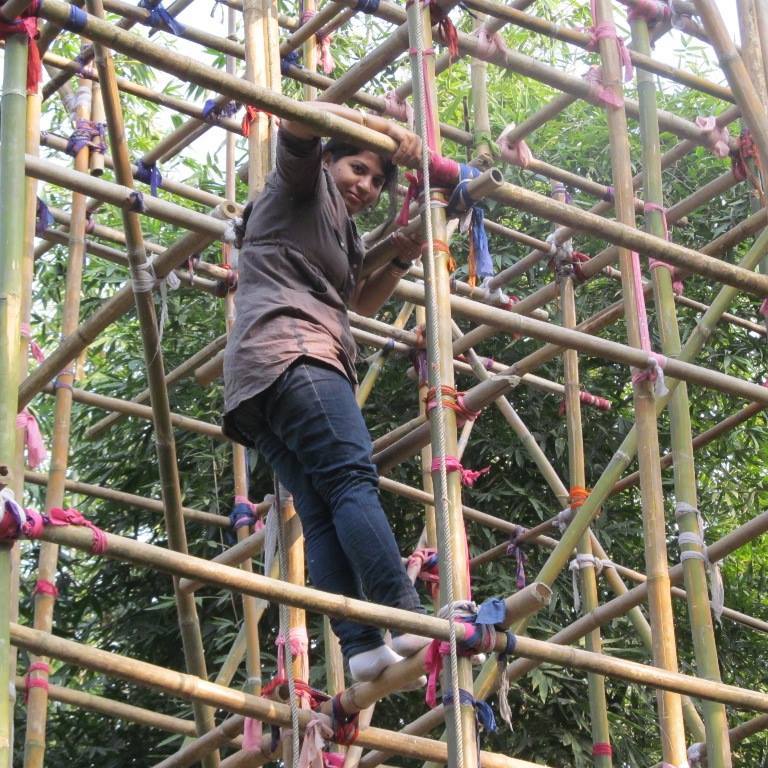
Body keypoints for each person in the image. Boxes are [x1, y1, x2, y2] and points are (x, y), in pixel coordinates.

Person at [222, 103, 430, 683]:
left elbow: (357, 303)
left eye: (376, 180)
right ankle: (404, 614)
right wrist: (387, 131)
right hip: (296, 355)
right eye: (357, 168)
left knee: (318, 507)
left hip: (259, 381)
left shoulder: (336, 228)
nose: (366, 185)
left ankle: (361, 644)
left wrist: (402, 254)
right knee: (351, 481)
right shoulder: (299, 185)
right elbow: (300, 117)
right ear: (328, 160)